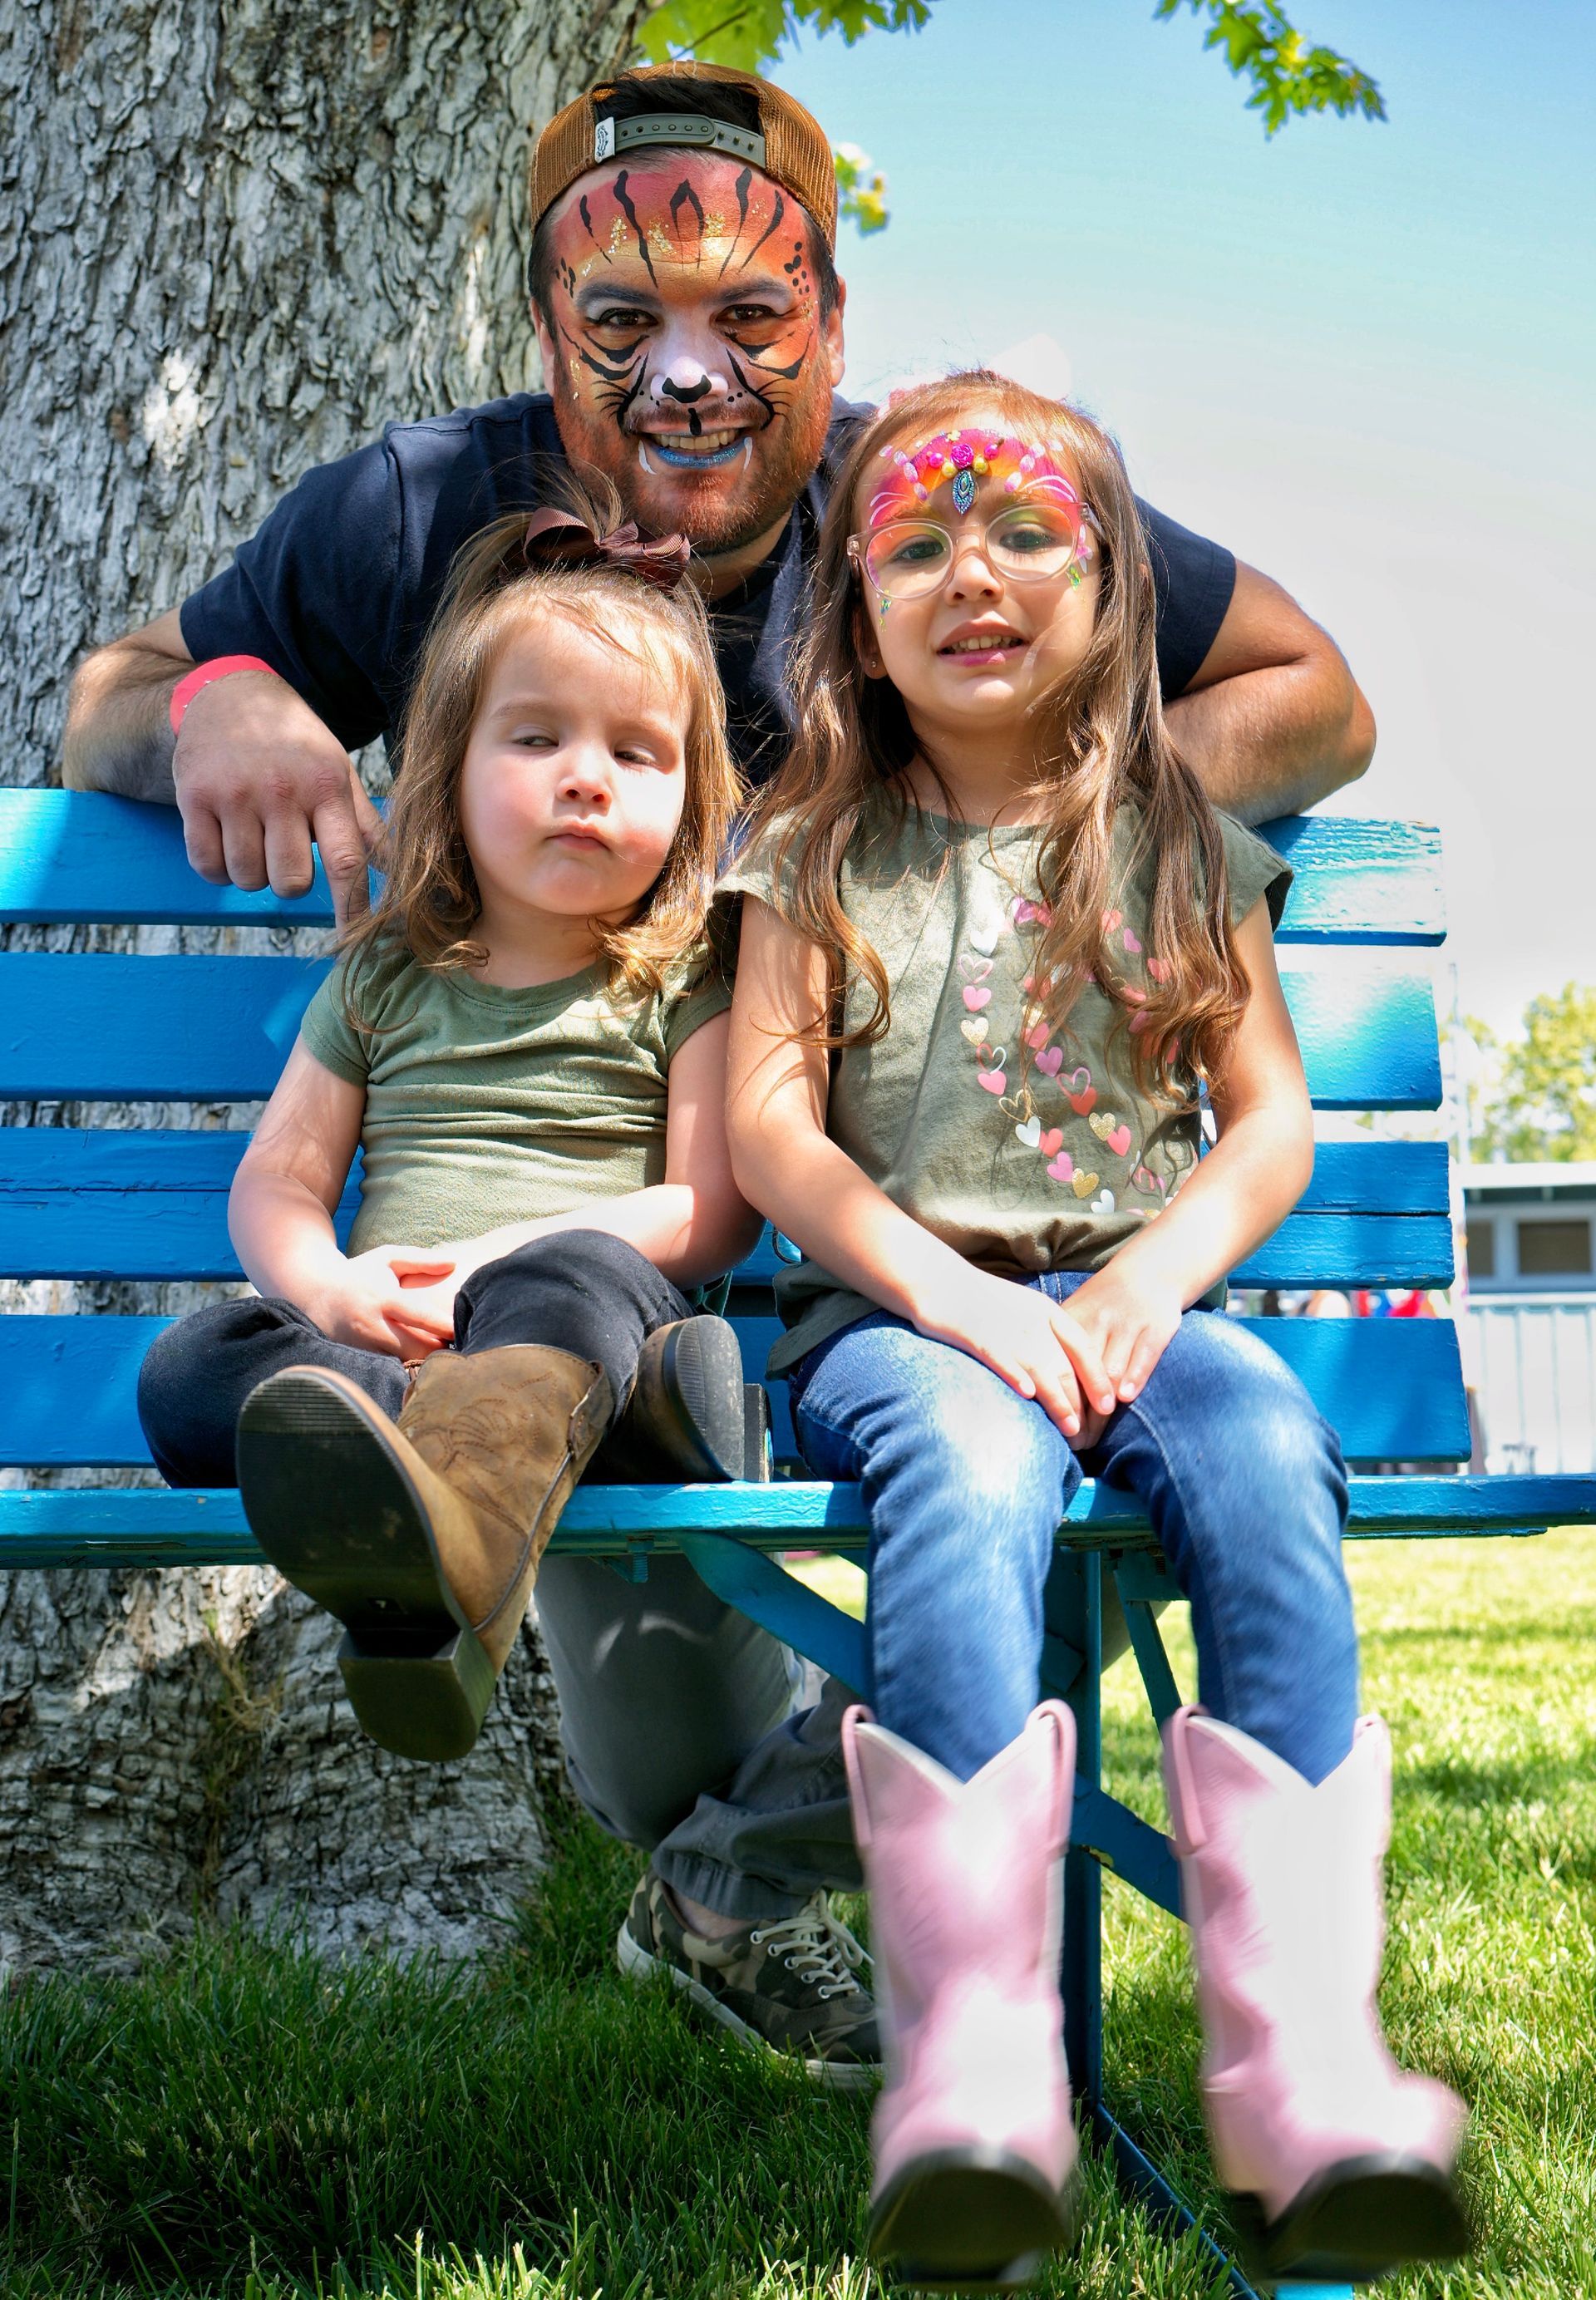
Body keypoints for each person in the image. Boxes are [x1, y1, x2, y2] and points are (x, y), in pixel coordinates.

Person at [62, 61, 1373, 2073]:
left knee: (1053, 1457)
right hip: (602, 1288)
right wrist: (220, 697)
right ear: (542, 330)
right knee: (678, 1712)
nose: (687, 378)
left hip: (852, 1266)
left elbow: (1316, 692)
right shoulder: (421, 507)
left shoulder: (938, 507)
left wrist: (1030, 818)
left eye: (748, 321)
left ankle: (752, 1883)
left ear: (832, 324)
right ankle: (717, 1853)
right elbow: (118, 696)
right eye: (622, 325)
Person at [722, 372, 1468, 2287]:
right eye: (913, 545)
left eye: (1023, 531)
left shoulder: (1173, 838)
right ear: (856, 620)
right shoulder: (812, 847)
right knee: (967, 1476)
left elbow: (1270, 1116)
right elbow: (770, 1133)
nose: (970, 573)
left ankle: (1299, 2061)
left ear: (1117, 583)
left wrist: (1149, 1278)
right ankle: (976, 2071)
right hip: (904, 1318)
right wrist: (953, 1295)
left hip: (1137, 1302)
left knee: (1261, 1446)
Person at [132, 505, 874, 2077]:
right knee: (196, 1370)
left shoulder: (683, 977)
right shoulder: (388, 978)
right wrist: (326, 1285)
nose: (589, 777)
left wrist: (494, 1261)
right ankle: (413, 1514)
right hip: (397, 1369)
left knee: (593, 1277)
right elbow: (275, 1190)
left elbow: (708, 1207)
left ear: (692, 806)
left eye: (639, 753)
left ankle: (451, 1562)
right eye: (537, 739)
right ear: (445, 777)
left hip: (579, 1331)